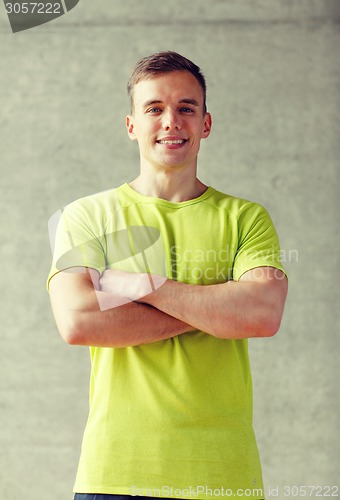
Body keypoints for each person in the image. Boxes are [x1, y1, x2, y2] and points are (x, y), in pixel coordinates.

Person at [47, 51, 288, 500]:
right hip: (115, 475)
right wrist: (217, 308)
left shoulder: (246, 218)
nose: (171, 121)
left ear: (206, 123)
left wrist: (147, 287)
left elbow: (263, 313)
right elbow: (79, 322)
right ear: (132, 125)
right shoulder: (87, 217)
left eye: (186, 108)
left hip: (224, 476)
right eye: (154, 108)